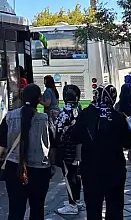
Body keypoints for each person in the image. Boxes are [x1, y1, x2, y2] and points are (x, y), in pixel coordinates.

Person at [0, 84, 52, 220]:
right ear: (39, 99)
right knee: (37, 210)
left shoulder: (10, 117)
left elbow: (0, 145)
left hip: (14, 169)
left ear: (22, 98)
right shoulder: (45, 119)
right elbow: (53, 145)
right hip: (40, 171)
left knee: (16, 210)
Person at [70, 85, 131, 220]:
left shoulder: (86, 114)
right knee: (115, 207)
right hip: (114, 170)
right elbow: (128, 142)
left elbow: (73, 136)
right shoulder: (118, 118)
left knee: (93, 209)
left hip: (91, 170)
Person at [55, 85, 85, 215]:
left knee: (68, 175)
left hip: (67, 150)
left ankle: (72, 204)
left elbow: (58, 131)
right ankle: (77, 200)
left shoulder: (64, 112)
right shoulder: (79, 109)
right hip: (79, 148)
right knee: (76, 175)